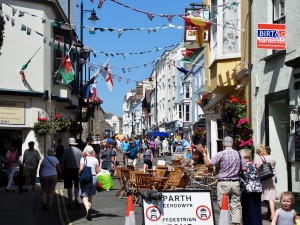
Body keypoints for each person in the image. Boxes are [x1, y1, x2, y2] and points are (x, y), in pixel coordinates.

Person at [197, 136, 246, 225]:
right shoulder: (238, 154)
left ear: (223, 144)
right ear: (232, 143)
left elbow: (208, 164)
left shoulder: (221, 154)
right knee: (236, 205)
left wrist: (204, 153)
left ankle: (225, 222)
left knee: (223, 205)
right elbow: (245, 168)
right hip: (235, 183)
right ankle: (236, 223)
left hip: (223, 183)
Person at [240, 149, 263, 225]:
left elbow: (245, 177)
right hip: (257, 189)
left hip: (248, 190)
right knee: (256, 209)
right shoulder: (253, 164)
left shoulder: (245, 165)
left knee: (248, 209)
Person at [254, 145, 276, 222]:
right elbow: (273, 168)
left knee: (259, 197)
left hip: (261, 179)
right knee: (271, 198)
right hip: (270, 178)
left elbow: (256, 168)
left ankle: (257, 214)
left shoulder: (257, 158)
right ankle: (273, 215)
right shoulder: (271, 158)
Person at [79, 145, 101, 221]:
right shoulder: (95, 159)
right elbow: (98, 171)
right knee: (90, 196)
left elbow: (81, 169)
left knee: (84, 196)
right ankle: (89, 211)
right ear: (92, 152)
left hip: (86, 178)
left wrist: (78, 174)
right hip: (94, 178)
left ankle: (88, 208)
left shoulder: (83, 159)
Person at [60, 138, 82, 209]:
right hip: (77, 170)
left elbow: (62, 162)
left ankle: (70, 201)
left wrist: (62, 170)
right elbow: (82, 162)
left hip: (68, 170)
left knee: (69, 186)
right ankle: (76, 198)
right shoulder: (79, 151)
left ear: (69, 144)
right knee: (76, 185)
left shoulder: (66, 151)